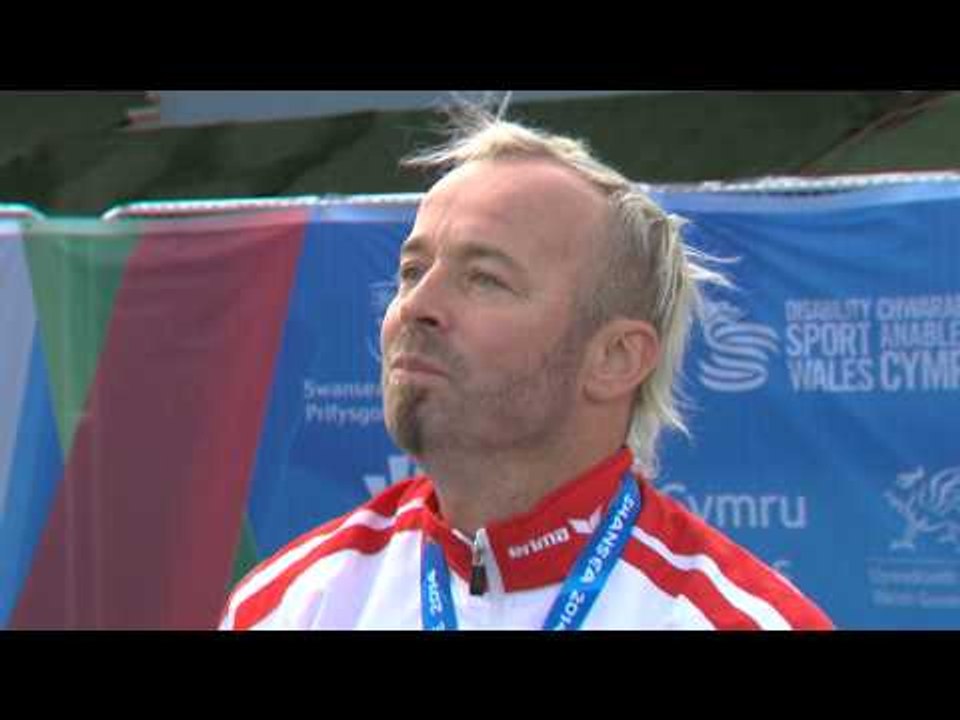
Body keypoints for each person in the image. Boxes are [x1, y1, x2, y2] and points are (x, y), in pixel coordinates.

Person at [220, 106, 833, 630]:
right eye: (412, 271)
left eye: (485, 278)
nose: (416, 306)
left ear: (615, 358)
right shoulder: (294, 606)